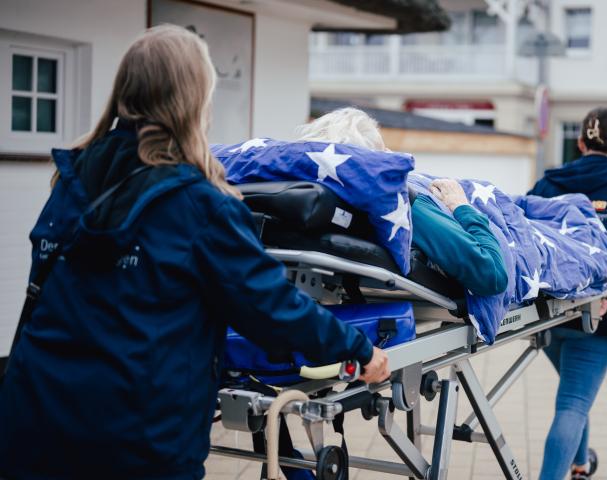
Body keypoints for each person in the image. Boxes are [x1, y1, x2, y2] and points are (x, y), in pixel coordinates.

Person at [0, 25, 389, 480]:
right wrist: (359, 350)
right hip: (132, 442)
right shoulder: (199, 205)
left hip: (32, 422)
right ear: (195, 101)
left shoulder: (71, 180)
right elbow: (271, 308)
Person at [529, 107, 607, 480]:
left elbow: (525, 236)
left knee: (573, 394)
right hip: (597, 316)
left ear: (581, 144)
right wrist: (603, 292)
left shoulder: (548, 184)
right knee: (573, 403)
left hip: (546, 313)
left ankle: (581, 465)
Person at [294, 107, 509, 297]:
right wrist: (462, 206)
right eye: (383, 150)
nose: (392, 154)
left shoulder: (305, 191)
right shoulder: (400, 204)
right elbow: (492, 276)